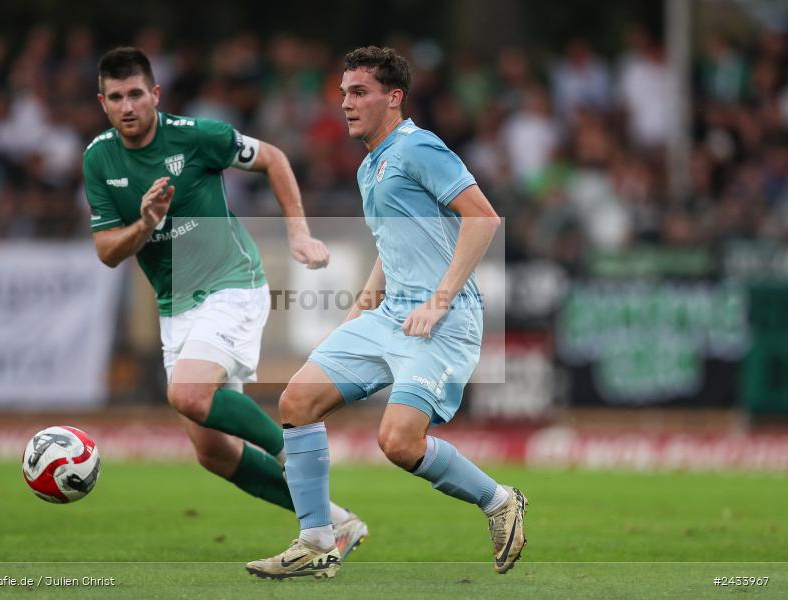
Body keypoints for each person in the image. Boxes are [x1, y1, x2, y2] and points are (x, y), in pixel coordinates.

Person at [246, 46, 526, 580]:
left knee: (398, 442)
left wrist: (439, 299)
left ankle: (500, 501)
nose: (345, 103)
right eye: (344, 92)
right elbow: (390, 245)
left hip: (443, 320)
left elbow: (484, 219)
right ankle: (316, 539)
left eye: (359, 92)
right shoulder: (371, 164)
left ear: (393, 98)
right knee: (297, 400)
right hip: (390, 314)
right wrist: (360, 309)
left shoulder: (419, 148)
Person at [82, 47, 367, 557]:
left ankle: (295, 454)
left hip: (232, 282)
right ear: (102, 102)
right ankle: (334, 522)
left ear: (156, 95)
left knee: (187, 394)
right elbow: (106, 252)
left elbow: (274, 158)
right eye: (116, 97)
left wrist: (298, 234)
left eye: (136, 94)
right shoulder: (98, 159)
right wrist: (145, 224)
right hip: (175, 305)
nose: (128, 106)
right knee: (213, 452)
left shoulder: (197, 136)